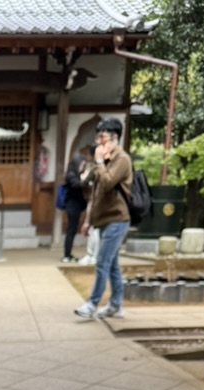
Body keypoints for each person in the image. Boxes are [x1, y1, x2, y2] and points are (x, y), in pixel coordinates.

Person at [74, 118, 132, 319]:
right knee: (112, 265)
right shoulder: (103, 160)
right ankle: (116, 305)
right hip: (103, 220)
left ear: (114, 137)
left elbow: (107, 183)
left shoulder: (122, 159)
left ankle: (92, 303)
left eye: (102, 136)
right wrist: (89, 220)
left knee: (102, 263)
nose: (98, 141)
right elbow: (93, 190)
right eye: (97, 136)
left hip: (117, 219)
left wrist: (99, 163)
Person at [60, 146, 92, 263]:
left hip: (78, 204)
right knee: (71, 229)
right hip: (72, 204)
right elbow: (77, 185)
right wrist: (85, 177)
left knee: (73, 229)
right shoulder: (71, 175)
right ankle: (66, 254)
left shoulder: (76, 174)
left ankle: (68, 254)